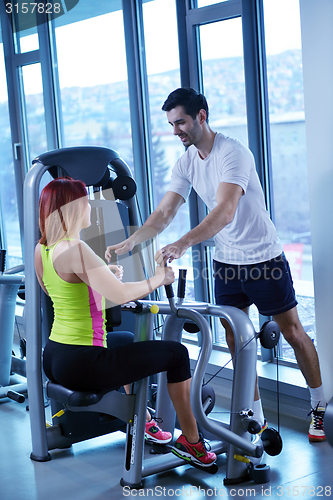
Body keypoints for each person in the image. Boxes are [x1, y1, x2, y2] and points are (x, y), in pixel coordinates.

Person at [106, 87, 326, 443]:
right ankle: (254, 421)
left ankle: (320, 406)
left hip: (263, 258)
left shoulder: (233, 153)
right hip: (227, 263)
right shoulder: (187, 161)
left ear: (201, 116)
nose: (175, 130)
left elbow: (225, 211)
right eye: (171, 124)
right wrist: (131, 242)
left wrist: (182, 243)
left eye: (180, 122)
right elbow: (165, 211)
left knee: (292, 332)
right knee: (236, 338)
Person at [34, 176, 216, 468]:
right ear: (73, 208)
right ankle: (192, 443)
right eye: (86, 202)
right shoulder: (77, 249)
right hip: (84, 362)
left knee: (127, 340)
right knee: (176, 354)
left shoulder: (42, 249)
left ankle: (143, 421)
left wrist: (101, 274)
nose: (90, 207)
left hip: (55, 356)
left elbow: (61, 291)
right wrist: (159, 278)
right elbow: (117, 295)